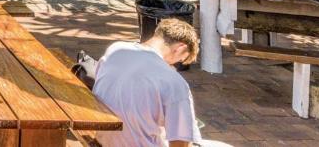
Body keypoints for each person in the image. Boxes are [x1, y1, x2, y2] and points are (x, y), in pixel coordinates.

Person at [92, 18, 226, 147]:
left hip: (103, 139)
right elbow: (181, 141)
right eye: (179, 60)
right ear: (180, 48)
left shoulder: (116, 49)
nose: (174, 65)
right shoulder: (173, 82)